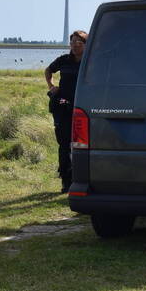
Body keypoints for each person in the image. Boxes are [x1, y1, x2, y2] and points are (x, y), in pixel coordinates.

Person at [44, 30, 87, 192]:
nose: (75, 46)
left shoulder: (91, 61)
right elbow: (48, 71)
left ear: (86, 44)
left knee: (81, 144)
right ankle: (65, 180)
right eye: (72, 42)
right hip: (63, 106)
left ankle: (82, 178)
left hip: (84, 107)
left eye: (79, 43)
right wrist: (52, 86)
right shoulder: (63, 60)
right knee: (64, 144)